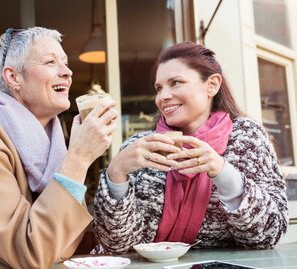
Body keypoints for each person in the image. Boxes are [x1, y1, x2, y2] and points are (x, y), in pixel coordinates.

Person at [0, 27, 117, 268]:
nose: (67, 72)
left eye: (65, 62)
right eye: (50, 62)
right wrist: (79, 157)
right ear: (13, 78)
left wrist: (119, 173)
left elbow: (63, 244)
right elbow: (33, 253)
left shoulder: (49, 145)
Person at [93, 41, 288, 254]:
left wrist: (222, 172)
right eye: (159, 88)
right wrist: (116, 173)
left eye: (175, 82)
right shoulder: (139, 148)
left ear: (212, 85)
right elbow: (116, 245)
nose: (162, 96)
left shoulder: (246, 137)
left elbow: (268, 234)